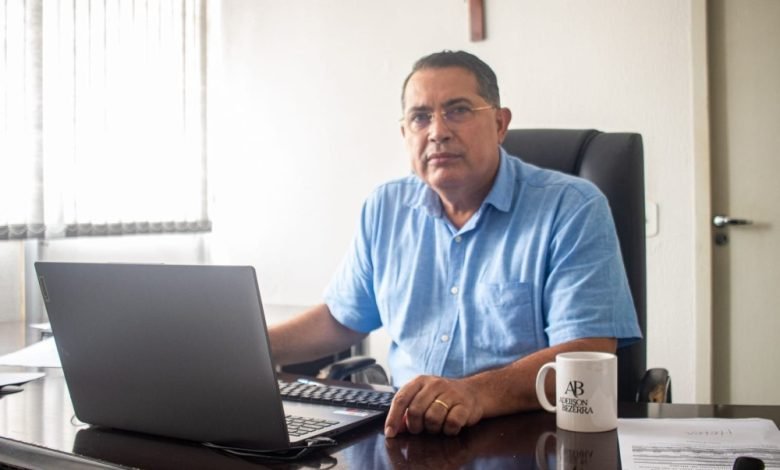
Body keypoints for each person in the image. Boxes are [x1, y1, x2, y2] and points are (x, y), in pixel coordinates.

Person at [269, 50, 641, 438]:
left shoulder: (571, 207)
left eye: (458, 110)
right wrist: (249, 348)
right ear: (405, 134)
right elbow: (341, 318)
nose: (437, 131)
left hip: (529, 438)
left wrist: (475, 393)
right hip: (405, 433)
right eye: (420, 117)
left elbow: (586, 351)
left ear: (500, 123)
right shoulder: (385, 207)